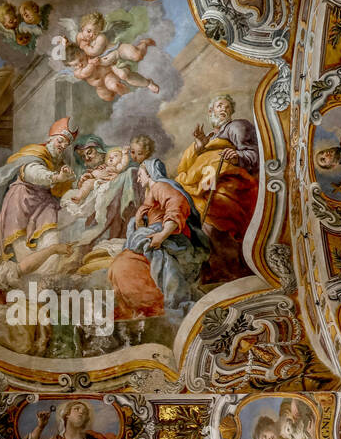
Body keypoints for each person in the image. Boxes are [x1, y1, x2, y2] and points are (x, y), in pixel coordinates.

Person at [107, 159, 209, 321]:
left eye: (140, 175)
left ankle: (156, 307)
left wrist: (162, 235)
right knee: (122, 265)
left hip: (166, 239)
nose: (138, 179)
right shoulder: (152, 191)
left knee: (127, 266)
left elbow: (177, 204)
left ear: (150, 173)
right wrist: (141, 223)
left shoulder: (160, 186)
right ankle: (144, 308)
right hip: (151, 236)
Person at [174, 94, 260, 281]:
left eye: (228, 107)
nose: (224, 109)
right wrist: (199, 146)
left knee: (214, 214)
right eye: (220, 106)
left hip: (229, 182)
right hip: (203, 185)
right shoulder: (210, 137)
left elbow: (256, 155)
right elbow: (184, 169)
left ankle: (225, 269)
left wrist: (237, 156)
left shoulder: (237, 127)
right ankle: (203, 268)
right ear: (210, 111)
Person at [0, 117, 77, 265]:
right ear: (50, 139)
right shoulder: (36, 153)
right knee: (21, 246)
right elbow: (34, 173)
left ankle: (47, 269)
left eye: (65, 145)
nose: (62, 146)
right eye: (60, 141)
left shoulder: (59, 163)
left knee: (51, 235)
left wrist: (69, 179)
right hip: (22, 200)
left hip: (44, 204)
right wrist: (56, 177)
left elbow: (61, 189)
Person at [25, 400, 112, 439]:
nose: (81, 412)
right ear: (67, 414)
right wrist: (40, 427)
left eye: (84, 412)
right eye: (77, 409)